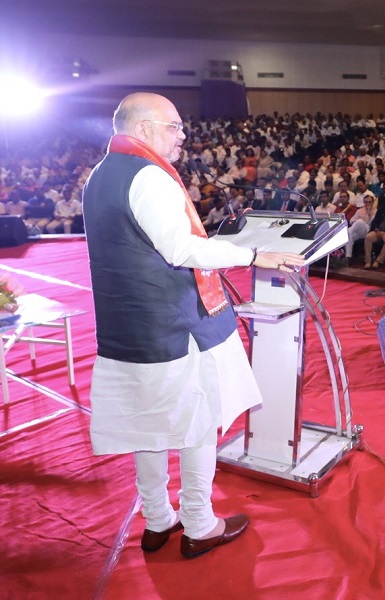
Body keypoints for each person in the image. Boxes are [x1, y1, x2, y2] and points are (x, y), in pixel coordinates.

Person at [83, 93, 305, 559]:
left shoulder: (102, 173)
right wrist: (253, 255)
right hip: (175, 322)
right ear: (143, 129)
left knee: (150, 426)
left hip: (129, 325)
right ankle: (200, 524)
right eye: (174, 127)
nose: (184, 135)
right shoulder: (147, 175)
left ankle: (158, 519)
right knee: (198, 421)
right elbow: (181, 251)